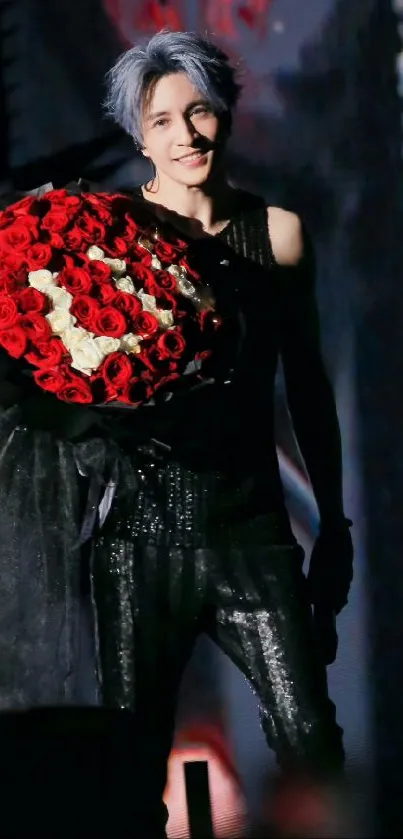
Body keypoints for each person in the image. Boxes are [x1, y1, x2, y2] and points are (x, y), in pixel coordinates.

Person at [88, 28, 353, 834]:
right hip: (138, 539)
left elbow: (306, 388)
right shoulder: (109, 235)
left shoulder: (276, 235)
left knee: (312, 746)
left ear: (225, 115)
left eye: (198, 112)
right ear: (138, 134)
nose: (184, 135)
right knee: (125, 767)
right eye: (162, 120)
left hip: (252, 536)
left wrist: (333, 523)